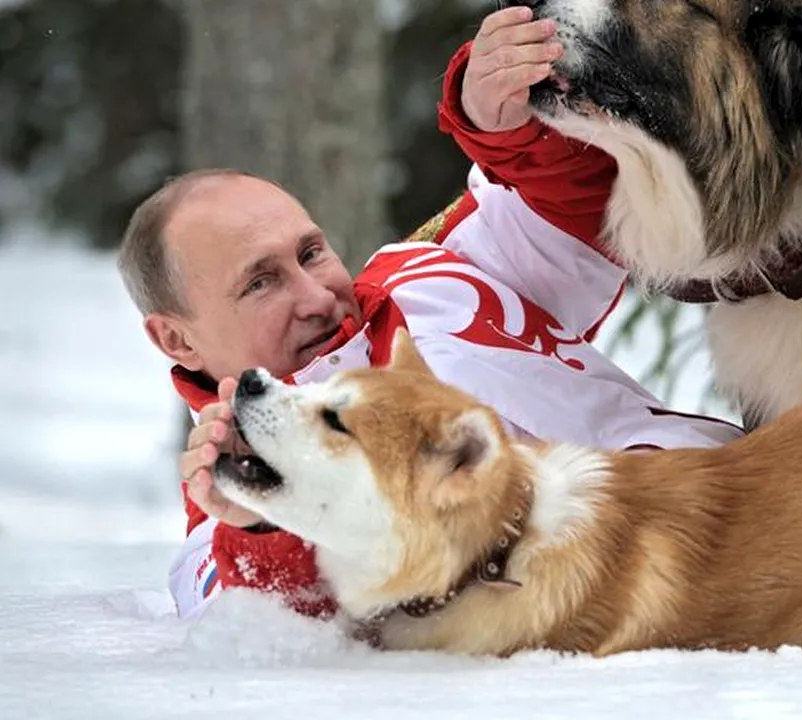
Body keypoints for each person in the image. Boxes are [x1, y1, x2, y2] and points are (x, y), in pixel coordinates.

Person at [116, 6, 742, 622]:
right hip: (632, 627)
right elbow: (260, 631)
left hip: (743, 503)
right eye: (260, 283)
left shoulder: (428, 274)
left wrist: (497, 115)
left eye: (311, 253)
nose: (316, 297)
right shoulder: (226, 509)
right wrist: (265, 517)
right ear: (176, 338)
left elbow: (584, 203)